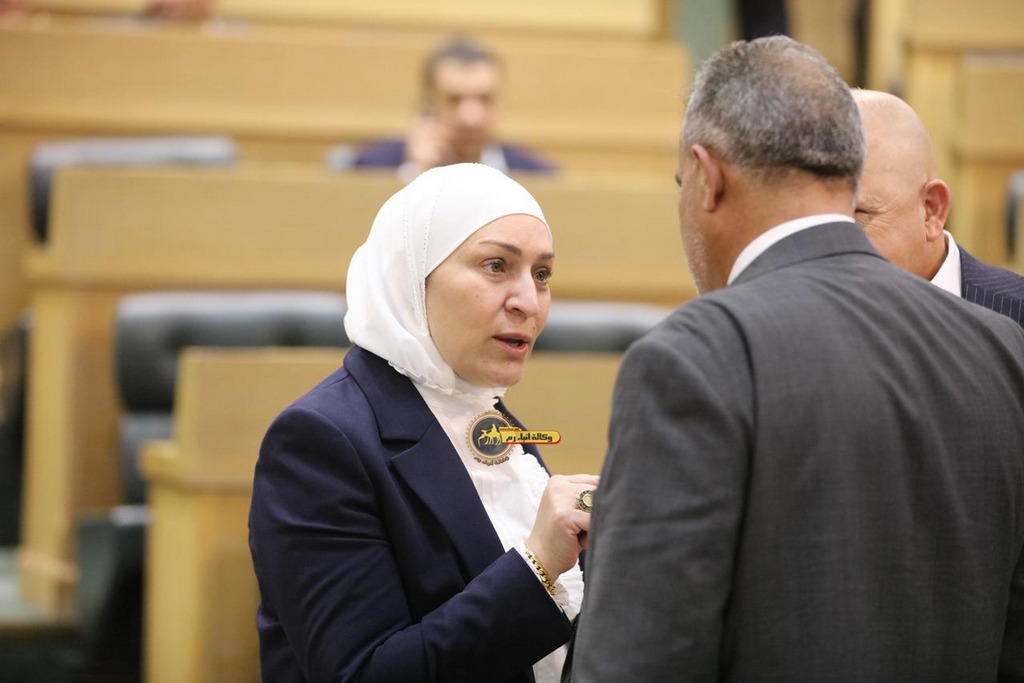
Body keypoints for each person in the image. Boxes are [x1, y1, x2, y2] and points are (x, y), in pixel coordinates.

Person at [571, 36, 1024, 681]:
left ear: (708, 176)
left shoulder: (694, 356)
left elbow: (635, 662)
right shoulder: (1001, 346)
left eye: (680, 184)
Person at [248, 163, 597, 683]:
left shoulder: (488, 416)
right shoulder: (318, 441)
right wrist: (540, 565)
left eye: (541, 274)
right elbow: (364, 674)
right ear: (413, 278)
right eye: (497, 266)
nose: (529, 302)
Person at [853, 88, 1024, 328]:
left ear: (931, 210)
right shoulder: (801, 321)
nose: (830, 241)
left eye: (858, 216)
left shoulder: (1016, 316)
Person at [354, 38, 555, 180]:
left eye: (485, 99)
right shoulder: (371, 168)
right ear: (428, 105)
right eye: (454, 100)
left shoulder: (538, 176)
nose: (471, 118)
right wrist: (416, 173)